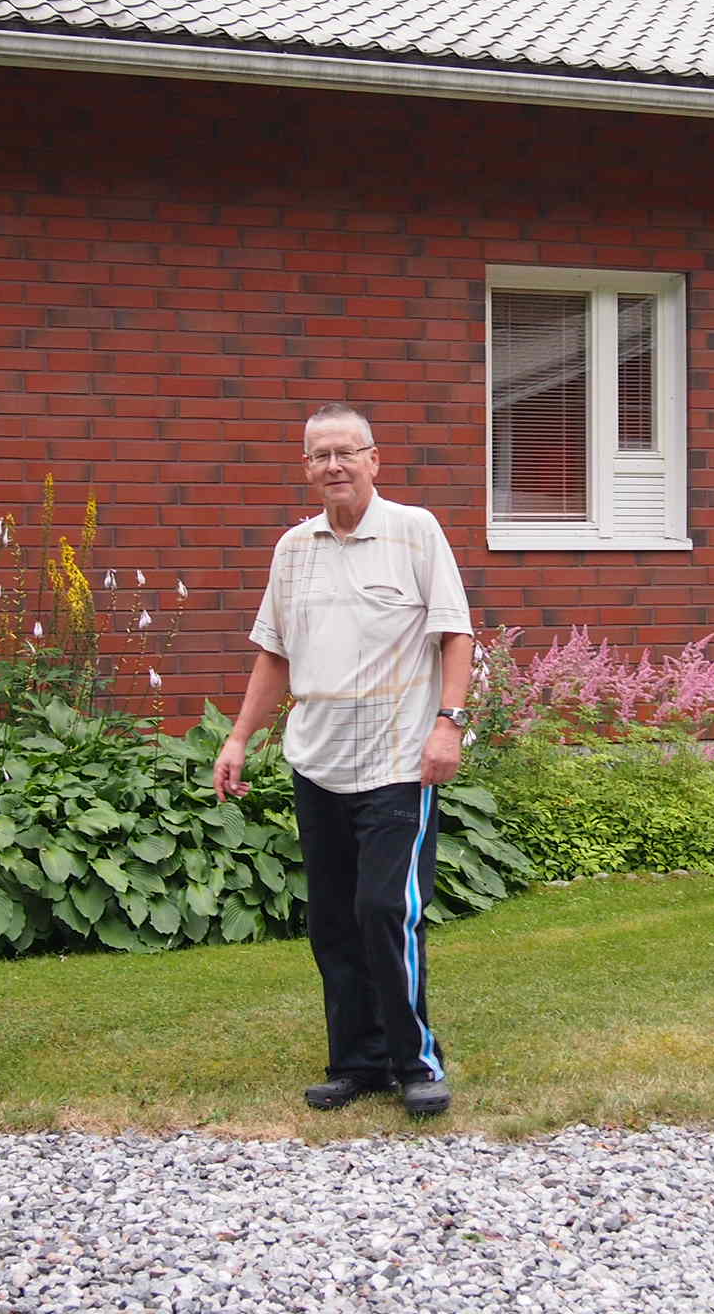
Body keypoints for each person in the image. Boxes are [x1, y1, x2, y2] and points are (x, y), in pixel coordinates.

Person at [213, 403, 474, 1117]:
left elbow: (455, 634)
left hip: (397, 762)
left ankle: (415, 1063)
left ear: (373, 459)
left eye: (346, 452)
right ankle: (357, 1063)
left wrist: (448, 725)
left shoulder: (415, 532)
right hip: (318, 762)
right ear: (306, 468)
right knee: (333, 922)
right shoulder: (293, 549)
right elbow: (275, 653)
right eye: (320, 455)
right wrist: (238, 738)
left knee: (385, 909)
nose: (334, 466)